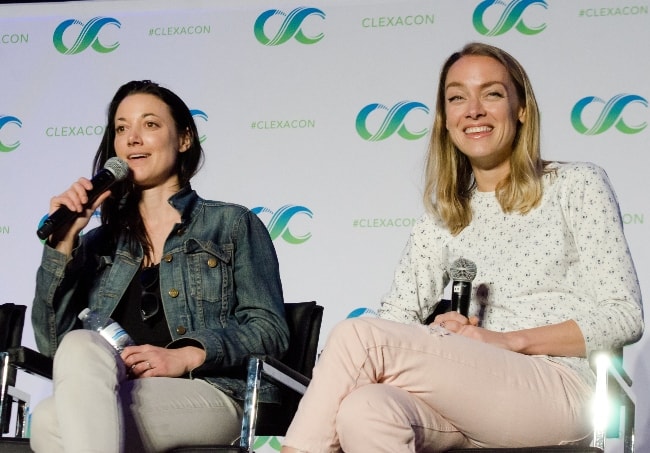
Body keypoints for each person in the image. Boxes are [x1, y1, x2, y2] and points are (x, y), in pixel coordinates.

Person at [281, 42, 644, 452]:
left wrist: (508, 341)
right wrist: (437, 336)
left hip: (556, 388)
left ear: (521, 109)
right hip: (464, 402)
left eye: (491, 93)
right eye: (457, 97)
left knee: (359, 338)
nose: (473, 109)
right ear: (445, 119)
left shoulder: (576, 185)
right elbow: (395, 320)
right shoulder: (441, 220)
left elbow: (624, 315)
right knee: (365, 409)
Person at [30, 80, 289, 452]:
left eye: (149, 125)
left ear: (184, 139)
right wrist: (63, 241)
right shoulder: (96, 245)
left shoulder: (230, 224)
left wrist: (184, 356)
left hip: (210, 392)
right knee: (70, 366)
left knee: (53, 423)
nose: (133, 138)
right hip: (115, 390)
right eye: (122, 129)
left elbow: (269, 331)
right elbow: (55, 348)